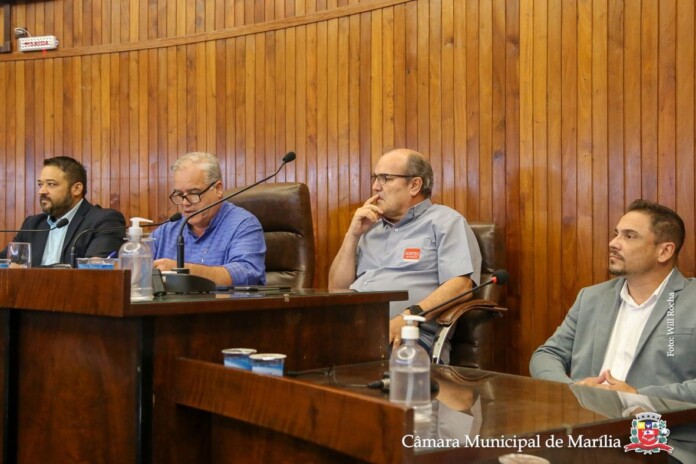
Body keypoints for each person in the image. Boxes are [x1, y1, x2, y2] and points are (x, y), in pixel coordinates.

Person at [530, 199, 696, 403]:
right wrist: (573, 390)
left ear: (665, 251)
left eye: (629, 236)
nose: (613, 243)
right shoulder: (591, 298)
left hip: (656, 421)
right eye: (616, 234)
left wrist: (638, 397)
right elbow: (547, 355)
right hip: (588, 417)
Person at [328, 148, 482, 364]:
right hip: (350, 328)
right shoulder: (370, 228)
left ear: (414, 185)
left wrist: (408, 318)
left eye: (385, 178)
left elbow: (461, 285)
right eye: (375, 177)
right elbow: (336, 291)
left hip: (408, 338)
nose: (375, 186)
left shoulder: (446, 222)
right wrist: (352, 235)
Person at [151, 152, 266, 287]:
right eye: (180, 194)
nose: (185, 203)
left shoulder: (244, 225)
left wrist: (179, 270)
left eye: (194, 193)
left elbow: (246, 274)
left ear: (218, 189)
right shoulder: (167, 230)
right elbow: (136, 266)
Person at [0, 156, 126, 267]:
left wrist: (27, 271)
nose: (41, 191)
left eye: (51, 184)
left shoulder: (105, 221)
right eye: (40, 184)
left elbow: (93, 272)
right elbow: (5, 264)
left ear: (76, 189)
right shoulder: (33, 225)